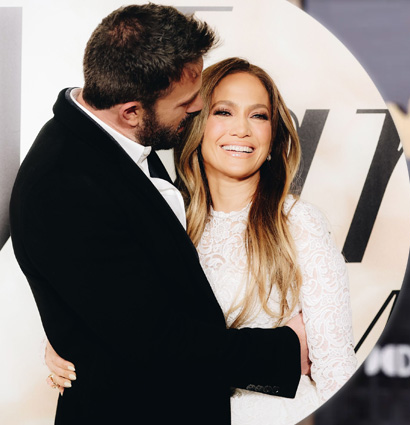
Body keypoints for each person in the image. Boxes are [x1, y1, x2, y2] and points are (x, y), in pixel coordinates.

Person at [10, 5, 308, 425]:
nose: (199, 106)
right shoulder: (63, 187)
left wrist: (80, 324)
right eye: (186, 102)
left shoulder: (108, 134)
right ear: (131, 111)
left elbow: (124, 297)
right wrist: (286, 351)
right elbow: (155, 340)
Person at [45, 57, 358, 425]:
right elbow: (130, 320)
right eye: (224, 112)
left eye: (259, 116)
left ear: (273, 137)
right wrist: (69, 338)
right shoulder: (163, 217)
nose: (242, 129)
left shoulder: (299, 224)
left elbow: (337, 369)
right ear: (193, 124)